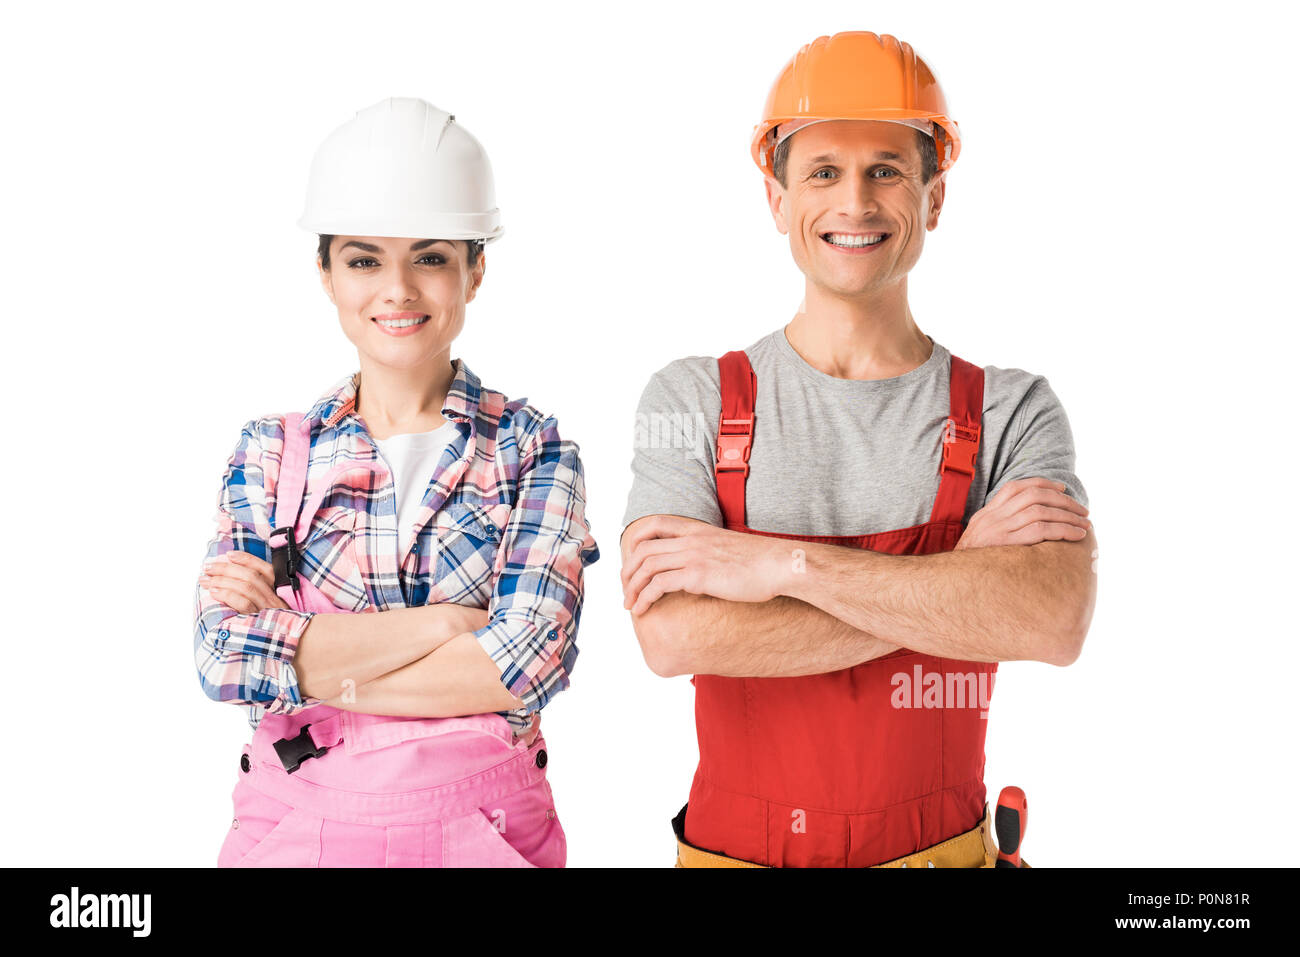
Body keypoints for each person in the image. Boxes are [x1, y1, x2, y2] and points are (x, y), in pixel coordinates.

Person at [620, 32, 1097, 868]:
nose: (855, 203)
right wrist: (956, 580)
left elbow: (1052, 621)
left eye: (886, 168)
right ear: (776, 199)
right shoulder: (691, 399)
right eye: (823, 172)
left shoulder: (1012, 407)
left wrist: (780, 570)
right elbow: (674, 638)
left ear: (934, 195)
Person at [194, 97, 599, 867]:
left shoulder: (535, 453)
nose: (399, 289)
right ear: (325, 272)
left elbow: (528, 661)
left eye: (432, 256)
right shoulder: (270, 453)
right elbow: (225, 660)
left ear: (476, 269)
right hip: (292, 837)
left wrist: (304, 657)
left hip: (486, 836)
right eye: (364, 259)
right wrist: (448, 625)